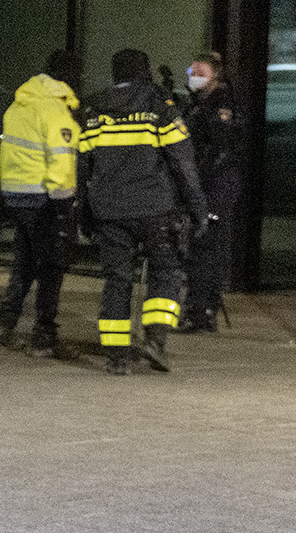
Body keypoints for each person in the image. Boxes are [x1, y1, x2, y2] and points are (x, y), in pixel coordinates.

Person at [76, 47, 208, 376]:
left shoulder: (92, 110)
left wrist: (84, 215)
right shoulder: (159, 106)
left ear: (115, 73)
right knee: (166, 271)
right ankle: (155, 341)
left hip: (109, 212)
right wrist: (198, 207)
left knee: (116, 280)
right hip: (156, 209)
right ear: (144, 72)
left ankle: (117, 357)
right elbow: (182, 161)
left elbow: (82, 168)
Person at [0, 49, 81, 358]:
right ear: (68, 76)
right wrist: (64, 206)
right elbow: (61, 161)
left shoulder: (20, 103)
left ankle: (4, 323)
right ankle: (44, 334)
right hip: (43, 196)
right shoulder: (54, 110)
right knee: (52, 264)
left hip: (16, 192)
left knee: (25, 260)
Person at [179, 51, 245, 334]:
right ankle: (198, 307)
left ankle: (203, 310)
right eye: (192, 71)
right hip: (205, 183)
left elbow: (221, 149)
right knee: (198, 245)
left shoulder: (221, 105)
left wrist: (198, 180)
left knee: (208, 246)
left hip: (216, 184)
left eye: (200, 72)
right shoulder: (198, 103)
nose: (194, 76)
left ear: (215, 75)